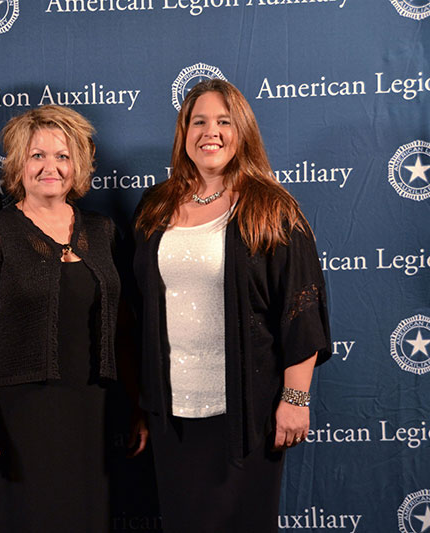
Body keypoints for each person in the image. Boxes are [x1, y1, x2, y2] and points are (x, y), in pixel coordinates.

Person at [132, 79, 332, 532]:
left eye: (224, 122)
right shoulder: (155, 207)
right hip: (172, 415)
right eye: (198, 121)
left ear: (242, 131)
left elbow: (301, 307)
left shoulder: (270, 208)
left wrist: (295, 398)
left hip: (247, 413)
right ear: (184, 132)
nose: (211, 132)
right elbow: (140, 307)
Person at [0, 105, 145, 533]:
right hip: (20, 414)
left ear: (77, 164)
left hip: (93, 412)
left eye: (62, 156)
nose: (50, 167)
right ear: (19, 164)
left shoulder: (102, 231)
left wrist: (137, 405)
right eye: (37, 155)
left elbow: (124, 329)